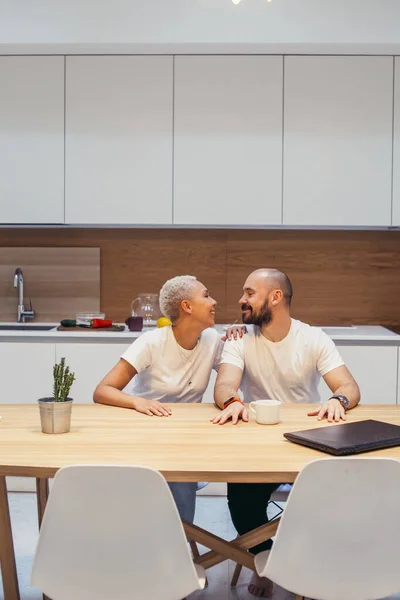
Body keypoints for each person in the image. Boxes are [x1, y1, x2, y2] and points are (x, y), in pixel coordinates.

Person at [212, 268, 360, 598]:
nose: (241, 299)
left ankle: (308, 562)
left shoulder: (313, 338)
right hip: (257, 443)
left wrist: (339, 399)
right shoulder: (241, 339)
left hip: (309, 444)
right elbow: (223, 385)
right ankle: (266, 557)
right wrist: (233, 401)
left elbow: (348, 385)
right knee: (241, 504)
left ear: (275, 297)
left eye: (249, 293)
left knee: (327, 502)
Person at [94, 274, 241, 524]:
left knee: (180, 492)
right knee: (160, 500)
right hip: (147, 433)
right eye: (206, 295)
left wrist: (239, 333)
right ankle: (171, 544)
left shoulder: (211, 340)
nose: (214, 301)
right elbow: (103, 390)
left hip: (185, 436)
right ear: (187, 306)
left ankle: (179, 545)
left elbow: (231, 371)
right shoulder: (151, 342)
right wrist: (139, 402)